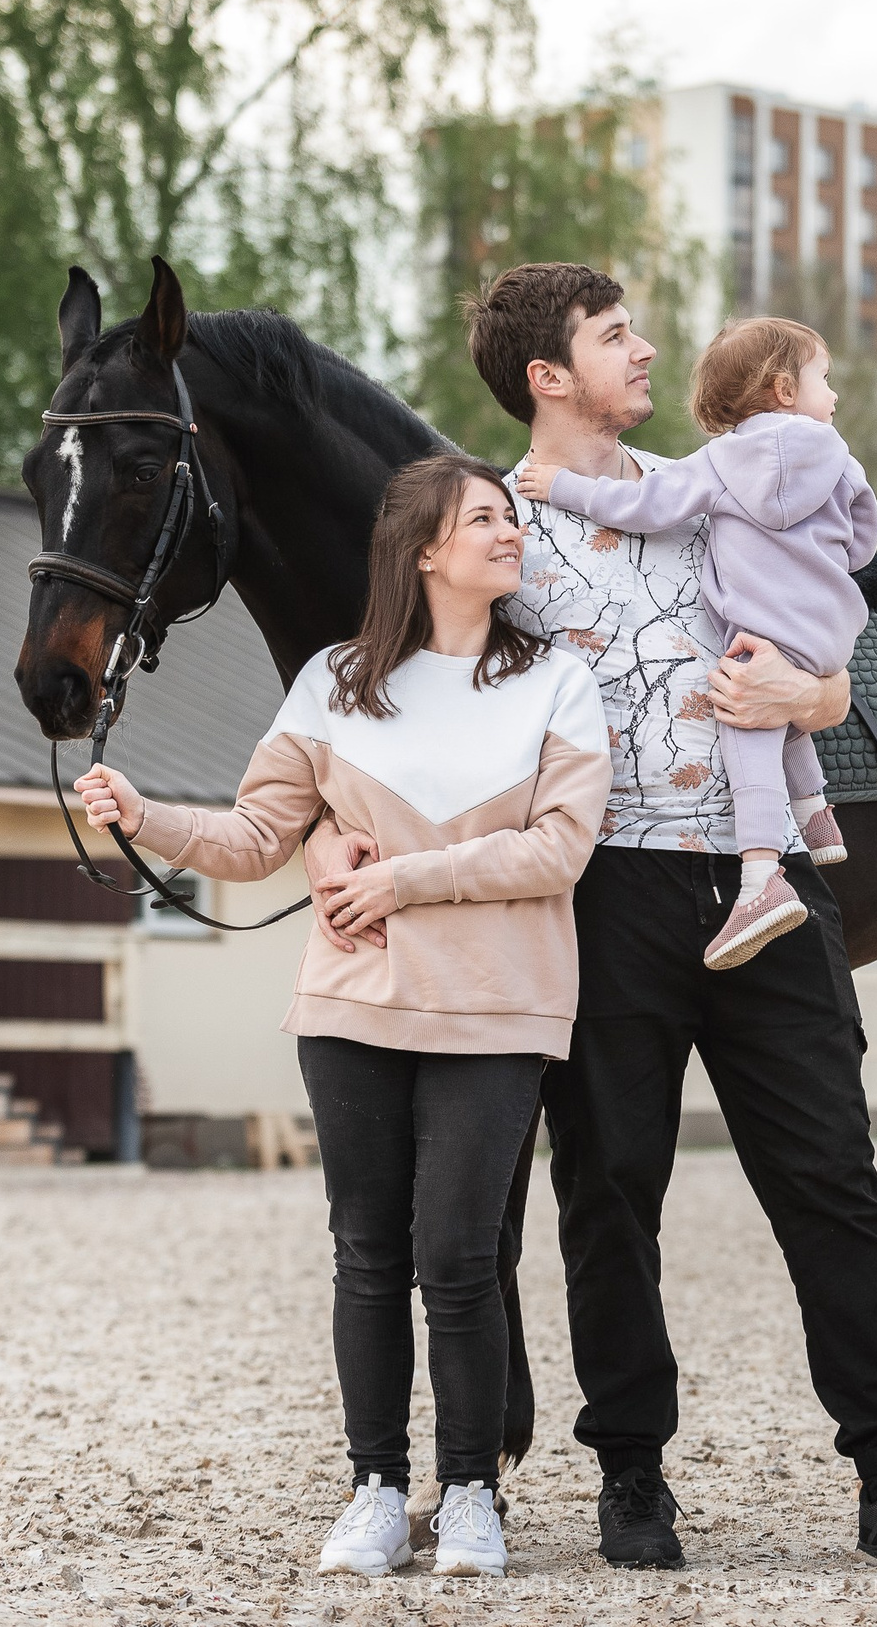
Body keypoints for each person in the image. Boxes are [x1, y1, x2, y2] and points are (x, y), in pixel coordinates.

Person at [426, 262, 877, 1570]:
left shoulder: (728, 477)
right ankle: (631, 1476)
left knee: (832, 1172)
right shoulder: (502, 527)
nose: (646, 353)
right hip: (609, 887)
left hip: (766, 870)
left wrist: (815, 697)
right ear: (546, 375)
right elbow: (433, 696)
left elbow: (850, 603)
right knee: (611, 1184)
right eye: (615, 336)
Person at [74, 453, 608, 1582]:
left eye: (511, 517)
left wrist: (402, 878)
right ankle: (375, 1486)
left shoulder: (557, 681)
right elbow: (256, 835)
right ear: (422, 551)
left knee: (460, 1258)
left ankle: (469, 1492)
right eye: (485, 518)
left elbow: (560, 847)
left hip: (498, 1009)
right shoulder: (332, 678)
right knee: (366, 1255)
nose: (510, 531)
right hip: (351, 1006)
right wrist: (144, 812)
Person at [515, 316, 877, 970]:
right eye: (613, 335)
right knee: (773, 709)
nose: (834, 395)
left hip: (761, 634)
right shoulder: (840, 455)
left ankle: (761, 874)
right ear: (786, 389)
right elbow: (864, 536)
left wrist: (560, 488)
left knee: (743, 711)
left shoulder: (711, 466)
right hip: (828, 624)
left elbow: (643, 509)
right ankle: (816, 812)